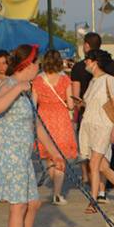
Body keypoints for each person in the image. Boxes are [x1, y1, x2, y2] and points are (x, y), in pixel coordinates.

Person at [0, 45, 50, 227]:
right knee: (19, 205)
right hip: (10, 154)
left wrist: (54, 153)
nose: (38, 69)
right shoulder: (8, 84)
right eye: (37, 65)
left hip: (23, 155)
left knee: (33, 203)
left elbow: (37, 125)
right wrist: (18, 87)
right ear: (28, 65)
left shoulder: (29, 90)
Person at [71, 33, 114, 200]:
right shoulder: (112, 65)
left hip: (99, 121)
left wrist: (75, 112)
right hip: (97, 119)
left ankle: (94, 198)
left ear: (86, 45)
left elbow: (75, 93)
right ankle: (113, 192)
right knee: (102, 161)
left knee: (94, 162)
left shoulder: (78, 68)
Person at [78, 50, 114, 212]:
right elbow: (89, 102)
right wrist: (79, 103)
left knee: (94, 164)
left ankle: (93, 201)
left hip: (103, 125)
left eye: (87, 60)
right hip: (89, 124)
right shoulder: (92, 81)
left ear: (95, 62)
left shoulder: (109, 79)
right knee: (102, 167)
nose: (85, 63)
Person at [32, 49, 76, 205]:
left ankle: (55, 187)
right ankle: (57, 193)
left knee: (48, 155)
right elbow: (70, 105)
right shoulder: (65, 80)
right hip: (61, 119)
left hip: (44, 118)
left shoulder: (37, 80)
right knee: (60, 155)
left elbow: (33, 103)